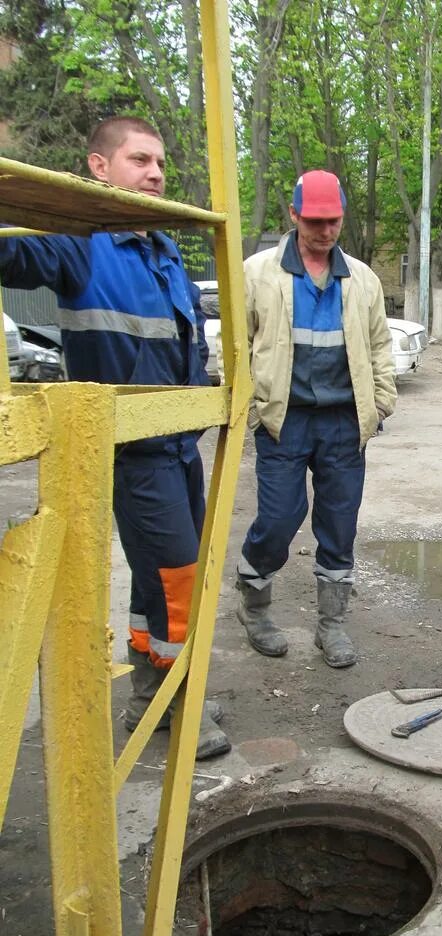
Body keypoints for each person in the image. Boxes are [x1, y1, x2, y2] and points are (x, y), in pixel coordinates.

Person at [0, 115, 229, 759]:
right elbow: (13, 252)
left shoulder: (164, 251)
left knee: (158, 578)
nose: (155, 173)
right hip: (132, 451)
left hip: (179, 443)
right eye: (139, 161)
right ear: (99, 169)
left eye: (159, 163)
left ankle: (148, 690)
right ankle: (182, 700)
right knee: (182, 576)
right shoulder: (81, 244)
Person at [236, 169, 396, 668]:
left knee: (339, 523)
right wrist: (249, 408)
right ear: (293, 216)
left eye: (332, 221)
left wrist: (382, 401)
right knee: (280, 518)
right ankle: (255, 605)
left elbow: (378, 346)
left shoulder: (362, 279)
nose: (325, 231)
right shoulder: (258, 273)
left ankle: (331, 625)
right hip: (285, 421)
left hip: (344, 424)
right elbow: (236, 345)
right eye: (314, 221)